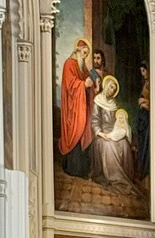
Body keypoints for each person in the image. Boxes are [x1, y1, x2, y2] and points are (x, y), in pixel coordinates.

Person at [90, 75, 140, 196]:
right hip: (102, 134)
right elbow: (95, 121)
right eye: (110, 87)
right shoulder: (98, 100)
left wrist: (120, 129)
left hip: (113, 132)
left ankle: (125, 176)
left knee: (123, 144)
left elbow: (118, 120)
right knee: (109, 145)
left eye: (114, 88)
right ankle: (115, 178)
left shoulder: (114, 103)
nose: (111, 90)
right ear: (106, 86)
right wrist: (102, 134)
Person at [58, 38, 95, 178]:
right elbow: (70, 84)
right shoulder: (69, 64)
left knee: (83, 132)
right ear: (78, 49)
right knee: (75, 131)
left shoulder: (82, 66)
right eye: (83, 52)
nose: (85, 56)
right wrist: (83, 85)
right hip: (72, 108)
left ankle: (82, 170)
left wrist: (91, 85)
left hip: (81, 106)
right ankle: (73, 169)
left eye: (86, 54)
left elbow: (86, 81)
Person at [136, 62, 150, 179]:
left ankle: (144, 171)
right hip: (143, 117)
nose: (142, 73)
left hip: (148, 119)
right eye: (141, 71)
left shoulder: (152, 83)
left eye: (144, 71)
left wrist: (144, 103)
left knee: (146, 145)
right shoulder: (146, 82)